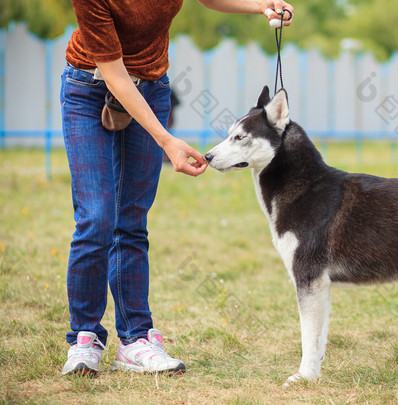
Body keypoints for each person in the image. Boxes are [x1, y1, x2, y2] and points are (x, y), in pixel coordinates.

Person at [61, 0, 294, 376]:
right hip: (89, 88)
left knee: (131, 220)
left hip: (152, 87)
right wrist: (167, 141)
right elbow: (115, 76)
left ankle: (136, 339)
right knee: (97, 218)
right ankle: (84, 339)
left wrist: (259, 5)